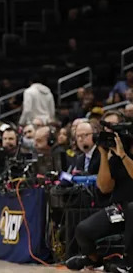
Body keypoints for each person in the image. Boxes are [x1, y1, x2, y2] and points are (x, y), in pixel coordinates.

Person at [65, 115, 133, 271]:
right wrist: (103, 154)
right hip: (120, 208)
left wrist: (123, 154)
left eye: (113, 127)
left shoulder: (123, 153)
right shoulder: (114, 155)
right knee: (83, 230)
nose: (110, 132)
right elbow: (104, 187)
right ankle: (94, 260)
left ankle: (128, 263)